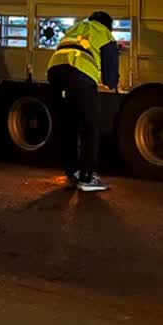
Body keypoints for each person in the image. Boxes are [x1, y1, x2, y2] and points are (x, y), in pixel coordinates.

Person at [45, 11, 119, 192]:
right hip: (80, 75)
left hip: (55, 70)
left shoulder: (76, 27)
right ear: (108, 25)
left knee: (69, 123)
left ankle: (72, 172)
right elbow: (110, 77)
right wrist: (111, 82)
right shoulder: (105, 33)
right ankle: (87, 177)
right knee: (90, 126)